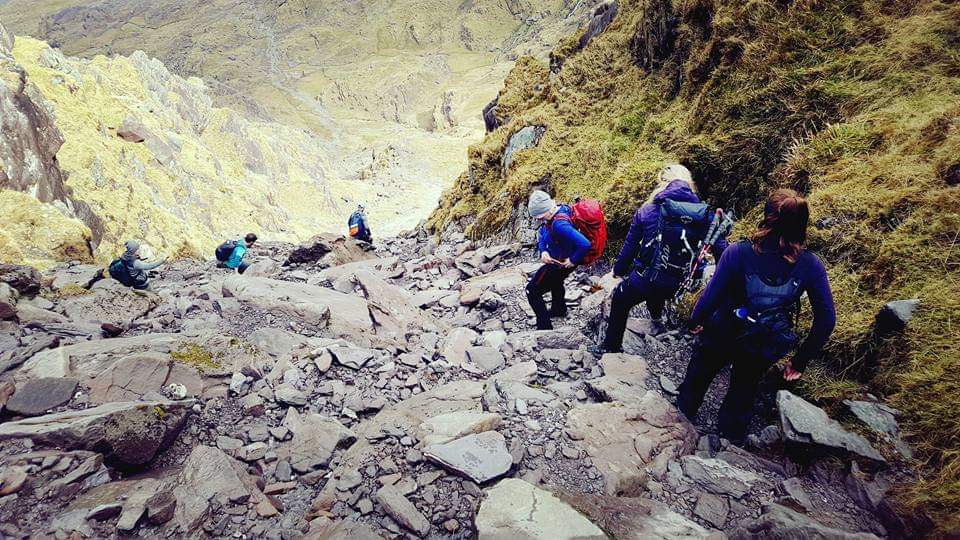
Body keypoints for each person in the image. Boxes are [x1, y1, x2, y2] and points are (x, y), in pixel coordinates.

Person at [676, 189, 836, 443]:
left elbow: (710, 296)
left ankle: (681, 419)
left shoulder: (738, 253)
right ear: (802, 224)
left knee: (700, 373)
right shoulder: (810, 265)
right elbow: (826, 319)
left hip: (722, 331)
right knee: (744, 388)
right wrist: (799, 361)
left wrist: (695, 322)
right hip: (763, 340)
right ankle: (729, 442)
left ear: (766, 217)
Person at [594, 164, 728, 354]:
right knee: (658, 286)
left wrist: (617, 272)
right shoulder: (705, 215)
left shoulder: (647, 211)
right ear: (690, 185)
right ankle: (657, 320)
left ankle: (611, 348)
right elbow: (723, 253)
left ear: (663, 183)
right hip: (682, 284)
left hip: (647, 280)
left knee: (621, 299)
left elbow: (630, 248)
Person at [526, 190, 592, 330]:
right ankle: (559, 309)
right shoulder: (560, 210)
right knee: (556, 282)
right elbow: (543, 234)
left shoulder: (559, 225)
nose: (537, 219)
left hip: (559, 264)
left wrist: (573, 260)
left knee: (532, 291)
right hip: (559, 261)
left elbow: (585, 244)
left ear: (546, 210)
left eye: (538, 216)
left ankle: (544, 327)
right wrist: (543, 250)